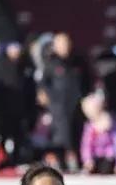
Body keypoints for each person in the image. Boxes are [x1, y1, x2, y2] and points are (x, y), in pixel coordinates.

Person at [39, 33, 90, 172]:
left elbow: (88, 80)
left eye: (66, 44)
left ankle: (80, 161)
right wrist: (48, 96)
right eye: (61, 44)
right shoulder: (51, 62)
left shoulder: (78, 61)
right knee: (61, 135)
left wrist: (86, 96)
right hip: (59, 105)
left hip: (77, 104)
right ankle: (61, 163)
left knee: (78, 132)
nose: (64, 47)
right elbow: (44, 83)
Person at [80, 92, 116, 175]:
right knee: (93, 168)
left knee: (106, 167)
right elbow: (86, 145)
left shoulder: (112, 124)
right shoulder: (90, 127)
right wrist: (87, 160)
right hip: (96, 157)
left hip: (110, 157)